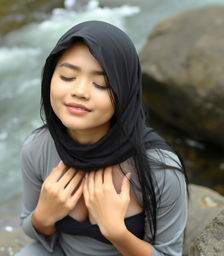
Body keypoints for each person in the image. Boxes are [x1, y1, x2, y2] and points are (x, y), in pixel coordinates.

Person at [16, 20, 188, 256]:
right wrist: (43, 217)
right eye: (67, 76)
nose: (79, 92)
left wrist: (117, 232)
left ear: (125, 91)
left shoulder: (160, 168)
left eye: (101, 83)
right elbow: (30, 226)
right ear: (49, 78)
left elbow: (169, 253)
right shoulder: (37, 147)